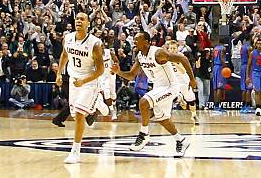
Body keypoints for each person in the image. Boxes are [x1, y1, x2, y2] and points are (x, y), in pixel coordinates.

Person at [111, 31, 196, 157]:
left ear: (146, 42)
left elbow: (182, 58)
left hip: (170, 86)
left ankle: (144, 134)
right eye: (134, 39)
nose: (134, 41)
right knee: (162, 119)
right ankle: (181, 140)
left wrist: (192, 80)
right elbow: (131, 75)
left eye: (137, 39)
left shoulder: (158, 53)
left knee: (144, 102)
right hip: (159, 87)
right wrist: (118, 72)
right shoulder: (140, 56)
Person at [56, 12, 107, 164]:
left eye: (82, 19)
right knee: (75, 114)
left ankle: (75, 151)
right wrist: (59, 73)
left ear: (88, 24)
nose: (78, 21)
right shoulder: (68, 38)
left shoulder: (95, 43)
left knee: (78, 114)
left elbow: (100, 70)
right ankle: (96, 104)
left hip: (89, 82)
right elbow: (64, 55)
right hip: (74, 80)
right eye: (77, 18)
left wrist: (84, 81)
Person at [167, 40, 199, 124]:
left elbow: (183, 70)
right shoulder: (165, 57)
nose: (172, 50)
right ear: (168, 49)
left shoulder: (181, 57)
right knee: (170, 96)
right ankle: (179, 99)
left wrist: (174, 63)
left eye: (174, 48)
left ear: (177, 49)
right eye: (171, 48)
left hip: (183, 79)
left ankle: (194, 115)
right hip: (173, 80)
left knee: (191, 100)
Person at [100, 44, 119, 120]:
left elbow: (116, 61)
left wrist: (115, 66)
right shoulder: (95, 55)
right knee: (106, 93)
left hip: (111, 74)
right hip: (102, 76)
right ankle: (112, 110)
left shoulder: (109, 52)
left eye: (101, 46)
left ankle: (114, 105)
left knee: (113, 94)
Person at [212, 38, 228, 108]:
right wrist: (226, 66)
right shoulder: (223, 48)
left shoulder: (215, 48)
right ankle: (218, 106)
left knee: (215, 88)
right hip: (220, 67)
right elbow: (222, 59)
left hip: (215, 67)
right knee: (219, 87)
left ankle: (215, 105)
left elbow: (213, 58)